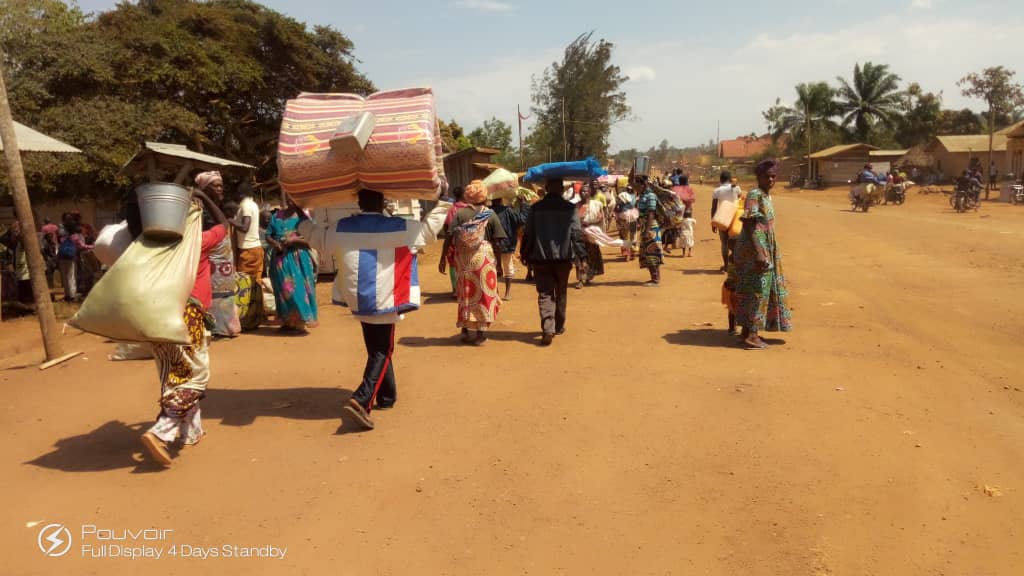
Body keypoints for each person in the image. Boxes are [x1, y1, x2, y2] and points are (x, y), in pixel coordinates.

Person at [325, 189, 450, 430]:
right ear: (383, 201)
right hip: (385, 299)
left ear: (359, 202)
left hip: (359, 299)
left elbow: (316, 237)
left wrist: (299, 216)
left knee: (376, 348)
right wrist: (444, 203)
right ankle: (362, 399)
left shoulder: (341, 227)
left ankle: (387, 396)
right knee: (382, 350)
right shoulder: (402, 227)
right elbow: (429, 230)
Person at [140, 188, 229, 467]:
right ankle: (162, 430)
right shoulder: (197, 242)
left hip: (157, 316)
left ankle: (191, 432)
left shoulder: (152, 246)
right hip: (187, 316)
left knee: (174, 376)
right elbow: (224, 225)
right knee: (196, 377)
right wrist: (206, 197)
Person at [730, 158, 792, 350]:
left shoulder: (765, 196)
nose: (771, 179)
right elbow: (749, 223)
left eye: (774, 176)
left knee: (753, 289)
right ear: (759, 177)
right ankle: (752, 335)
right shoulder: (755, 194)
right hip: (754, 249)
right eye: (767, 176)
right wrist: (759, 252)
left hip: (762, 247)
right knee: (758, 291)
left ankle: (747, 332)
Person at [442, 180, 506, 345]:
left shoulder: (460, 214)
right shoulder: (490, 214)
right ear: (484, 196)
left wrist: (443, 258)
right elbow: (498, 242)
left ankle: (464, 329)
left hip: (464, 260)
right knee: (484, 295)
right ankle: (480, 334)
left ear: (468, 196)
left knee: (466, 294)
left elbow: (449, 236)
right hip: (484, 260)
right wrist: (499, 264)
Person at [520, 178, 582, 345]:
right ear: (562, 189)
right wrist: (581, 257)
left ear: (546, 189)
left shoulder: (536, 209)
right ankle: (559, 325)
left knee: (545, 293)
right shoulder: (570, 208)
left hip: (541, 258)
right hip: (564, 258)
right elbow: (577, 233)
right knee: (561, 291)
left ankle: (548, 327)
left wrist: (524, 253)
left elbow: (528, 233)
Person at [266, 196, 319, 332]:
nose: (292, 199)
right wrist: (276, 244)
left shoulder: (304, 219)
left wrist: (293, 242)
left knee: (298, 290)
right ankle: (287, 322)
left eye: (294, 196)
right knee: (281, 290)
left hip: (299, 259)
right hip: (280, 258)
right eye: (289, 196)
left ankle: (300, 321)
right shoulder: (276, 216)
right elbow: (268, 235)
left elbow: (311, 241)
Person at [492, 195, 528, 300]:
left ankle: (495, 293)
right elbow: (521, 220)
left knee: (493, 268)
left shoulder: (488, 211)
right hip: (506, 243)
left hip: (492, 245)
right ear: (500, 198)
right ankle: (507, 293)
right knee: (508, 267)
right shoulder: (507, 210)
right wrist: (523, 205)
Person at [438, 186, 467, 297]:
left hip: (453, 242)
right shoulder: (469, 208)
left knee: (453, 265)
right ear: (463, 195)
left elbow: (447, 228)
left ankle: (456, 289)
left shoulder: (452, 209)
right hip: (467, 242)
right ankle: (466, 287)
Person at [711, 170, 741, 272]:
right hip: (736, 218)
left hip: (722, 218)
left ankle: (726, 266)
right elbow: (740, 199)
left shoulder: (717, 191)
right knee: (737, 242)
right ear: (730, 179)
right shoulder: (736, 188)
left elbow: (714, 208)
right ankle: (736, 264)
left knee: (724, 243)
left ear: (721, 179)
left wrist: (713, 222)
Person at [636, 176, 663, 286]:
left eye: (637, 185)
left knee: (652, 253)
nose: (636, 187)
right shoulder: (642, 194)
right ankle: (654, 277)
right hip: (645, 227)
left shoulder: (650, 195)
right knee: (648, 253)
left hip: (651, 228)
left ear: (643, 184)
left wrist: (647, 231)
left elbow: (651, 213)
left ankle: (655, 280)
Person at [234, 181, 264, 280]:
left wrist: (230, 221)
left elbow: (245, 227)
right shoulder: (253, 204)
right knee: (256, 282)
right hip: (256, 248)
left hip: (248, 250)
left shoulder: (245, 205)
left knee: (244, 283)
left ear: (240, 193)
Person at [57, 221, 93, 302]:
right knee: (71, 277)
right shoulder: (75, 237)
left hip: (62, 258)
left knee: (65, 277)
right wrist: (93, 246)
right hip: (71, 258)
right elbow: (82, 246)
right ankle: (72, 296)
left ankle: (67, 295)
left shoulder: (63, 237)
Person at [614, 188, 639, 261]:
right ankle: (631, 253)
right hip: (632, 218)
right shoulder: (634, 197)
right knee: (632, 236)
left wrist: (617, 216)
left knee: (625, 236)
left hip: (625, 218)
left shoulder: (621, 196)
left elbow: (617, 208)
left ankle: (628, 254)